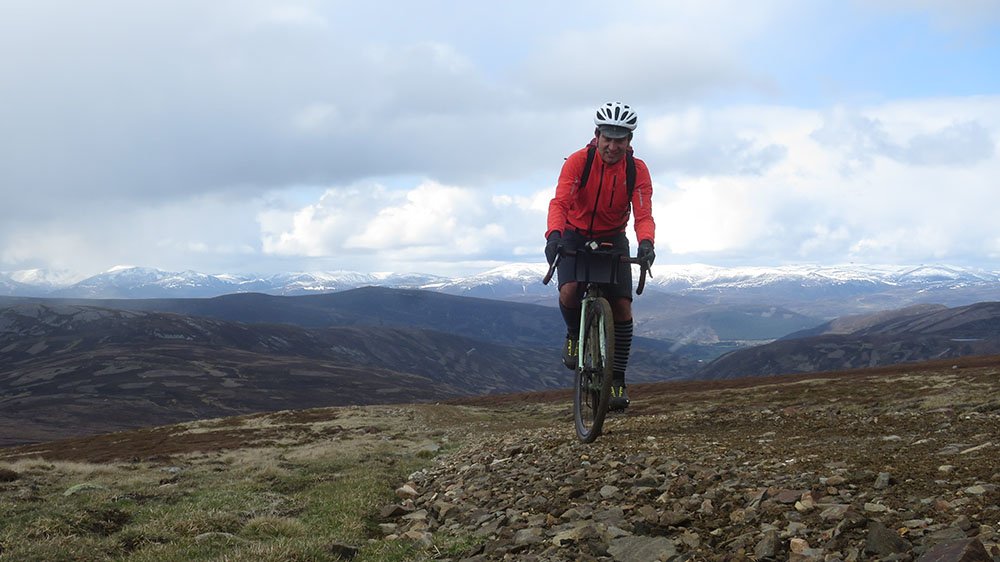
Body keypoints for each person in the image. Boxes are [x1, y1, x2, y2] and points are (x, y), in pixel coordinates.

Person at [544, 101, 656, 411]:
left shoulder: (637, 169)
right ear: (597, 135)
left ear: (628, 141)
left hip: (612, 238)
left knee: (621, 307)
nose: (612, 145)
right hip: (575, 232)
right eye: (607, 137)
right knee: (569, 291)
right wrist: (554, 235)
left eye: (620, 139)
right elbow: (560, 203)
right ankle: (572, 334)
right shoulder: (579, 162)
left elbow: (643, 214)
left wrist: (646, 243)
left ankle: (617, 377)